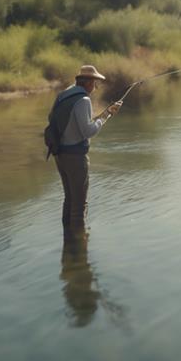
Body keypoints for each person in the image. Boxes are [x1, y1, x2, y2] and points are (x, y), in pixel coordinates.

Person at [48, 65, 121, 237]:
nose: (96, 87)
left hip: (59, 154)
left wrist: (106, 112)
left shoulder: (64, 94)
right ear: (87, 82)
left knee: (69, 199)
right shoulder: (83, 100)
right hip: (75, 157)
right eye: (95, 83)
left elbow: (54, 119)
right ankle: (78, 247)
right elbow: (88, 131)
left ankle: (68, 238)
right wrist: (105, 116)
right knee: (79, 205)